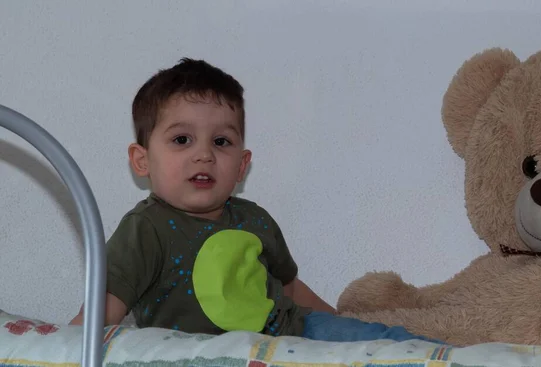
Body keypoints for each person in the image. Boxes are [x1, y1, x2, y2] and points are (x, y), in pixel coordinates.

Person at [69, 58, 439, 344]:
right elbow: (103, 309)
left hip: (297, 332)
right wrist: (59, 348)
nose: (204, 155)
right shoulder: (145, 230)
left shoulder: (254, 219)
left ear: (242, 165)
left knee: (382, 342)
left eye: (221, 142)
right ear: (142, 160)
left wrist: (340, 322)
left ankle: (459, 358)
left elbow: (291, 287)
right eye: (182, 140)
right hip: (210, 355)